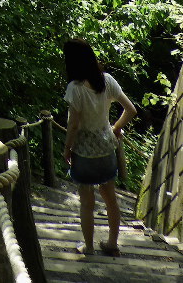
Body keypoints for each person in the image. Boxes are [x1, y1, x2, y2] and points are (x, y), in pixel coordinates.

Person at [62, 37, 137, 258]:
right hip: (106, 148)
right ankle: (112, 244)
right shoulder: (107, 81)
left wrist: (67, 148)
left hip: (84, 151)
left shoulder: (74, 89)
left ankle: (89, 247)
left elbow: (74, 124)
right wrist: (115, 128)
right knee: (110, 198)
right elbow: (131, 110)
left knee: (87, 202)